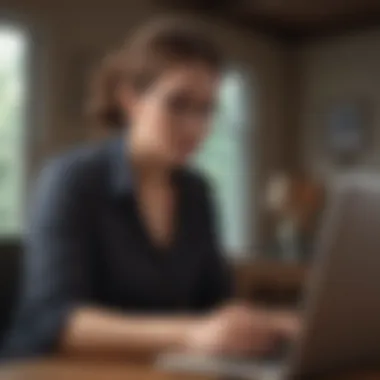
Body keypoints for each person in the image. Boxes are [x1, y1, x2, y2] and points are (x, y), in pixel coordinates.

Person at [3, 17, 299, 361]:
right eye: (178, 104)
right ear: (131, 98)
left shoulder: (197, 193)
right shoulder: (70, 180)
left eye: (206, 109)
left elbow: (214, 304)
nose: (195, 127)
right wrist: (193, 334)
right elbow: (54, 323)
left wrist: (271, 323)